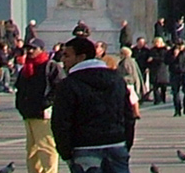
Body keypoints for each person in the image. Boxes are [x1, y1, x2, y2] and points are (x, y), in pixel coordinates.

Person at [53, 35, 137, 173]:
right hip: (116, 143)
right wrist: (125, 142)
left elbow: (61, 122)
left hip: (84, 146)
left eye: (67, 56)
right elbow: (128, 115)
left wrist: (66, 152)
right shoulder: (116, 79)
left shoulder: (68, 84)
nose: (63, 60)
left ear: (81, 57)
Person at [15, 38, 59, 173]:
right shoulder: (26, 68)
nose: (30, 51)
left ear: (41, 50)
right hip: (28, 113)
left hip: (43, 115)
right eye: (28, 49)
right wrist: (20, 105)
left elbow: (59, 87)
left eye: (33, 48)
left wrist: (47, 103)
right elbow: (20, 88)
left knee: (46, 148)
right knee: (32, 150)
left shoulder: (50, 66)